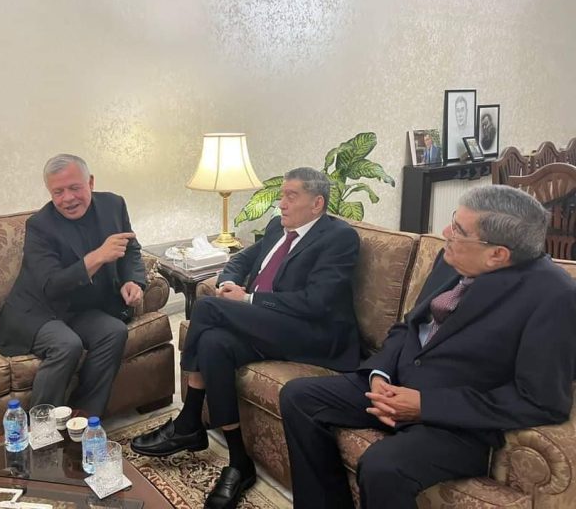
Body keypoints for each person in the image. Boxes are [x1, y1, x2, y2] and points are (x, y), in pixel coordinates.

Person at [279, 185, 576, 509]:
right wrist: (379, 374)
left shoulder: (554, 297)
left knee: (382, 467)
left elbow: (541, 401)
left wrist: (425, 405)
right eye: (453, 220)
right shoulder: (451, 259)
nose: (445, 232)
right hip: (395, 384)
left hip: (454, 422)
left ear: (497, 254)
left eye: (459, 230)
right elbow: (409, 325)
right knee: (299, 396)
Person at [131, 167, 361, 509]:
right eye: (281, 195)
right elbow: (242, 259)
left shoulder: (339, 238)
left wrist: (249, 299)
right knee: (213, 343)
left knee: (207, 308)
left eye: (291, 196)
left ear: (317, 203)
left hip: (312, 333)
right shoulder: (277, 227)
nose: (281, 203)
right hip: (269, 324)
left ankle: (189, 420)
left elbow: (317, 302)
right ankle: (239, 462)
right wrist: (228, 282)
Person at [0, 154, 145, 417]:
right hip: (39, 309)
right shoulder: (40, 226)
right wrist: (98, 257)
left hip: (81, 307)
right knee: (67, 345)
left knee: (114, 331)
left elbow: (130, 249)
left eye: (75, 188)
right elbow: (52, 285)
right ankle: (41, 425)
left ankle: (83, 416)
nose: (68, 198)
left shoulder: (114, 205)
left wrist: (133, 280)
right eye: (58, 192)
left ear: (91, 182)